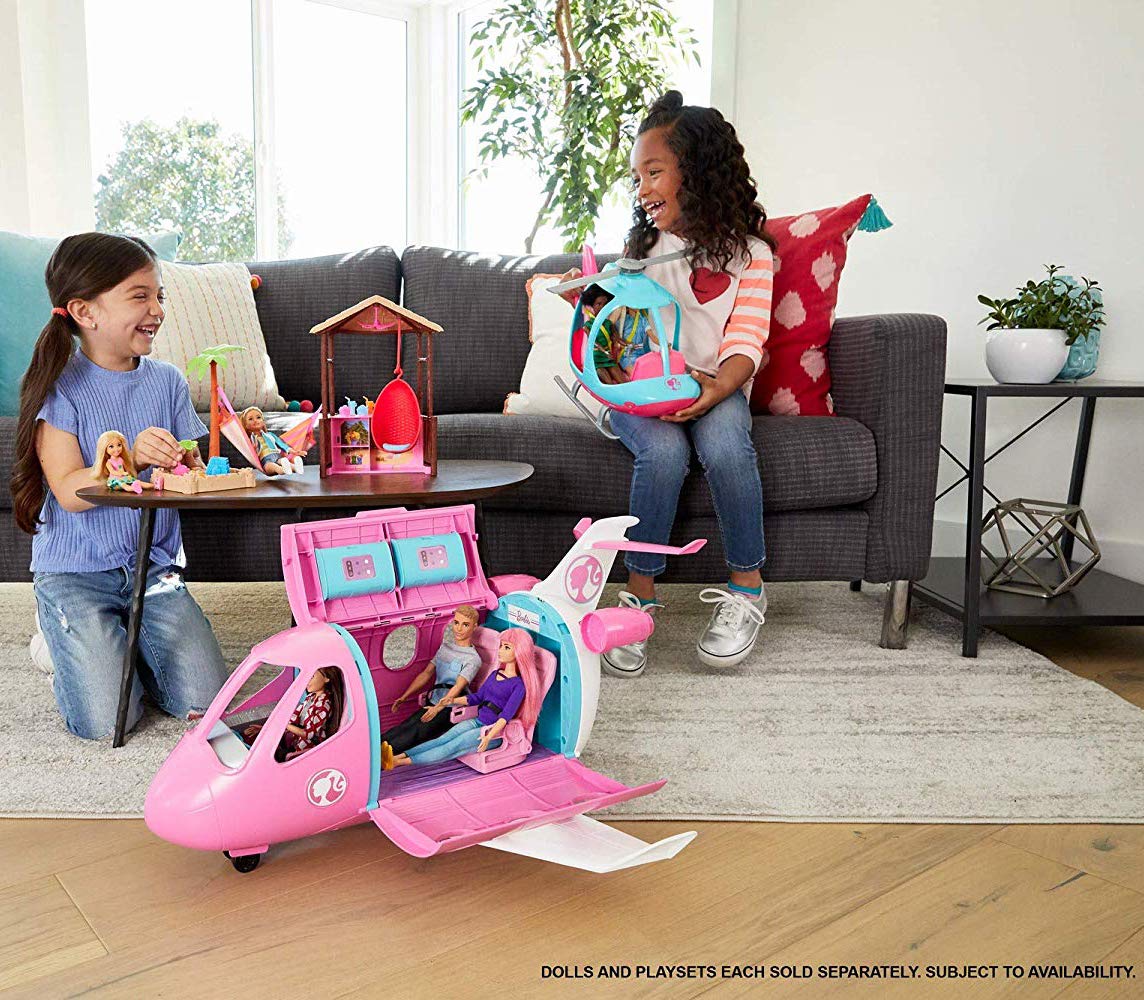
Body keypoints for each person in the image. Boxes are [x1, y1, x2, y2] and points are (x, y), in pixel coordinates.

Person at [559, 91, 775, 677]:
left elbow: (746, 341)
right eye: (637, 177)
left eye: (654, 172)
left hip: (715, 384)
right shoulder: (643, 250)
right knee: (662, 453)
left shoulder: (752, 256)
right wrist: (589, 296)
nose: (643, 188)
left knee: (726, 446)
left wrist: (714, 391)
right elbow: (619, 330)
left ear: (697, 171)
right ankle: (639, 596)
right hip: (641, 388)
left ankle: (748, 589)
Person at [10, 232, 229, 739]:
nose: (157, 309)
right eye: (139, 296)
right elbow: (69, 492)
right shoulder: (59, 386)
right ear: (85, 312)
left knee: (204, 703)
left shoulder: (167, 381)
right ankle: (56, 639)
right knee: (106, 721)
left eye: (159, 296)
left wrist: (184, 462)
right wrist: (129, 458)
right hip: (77, 573)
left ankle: (120, 644)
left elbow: (190, 466)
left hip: (151, 569)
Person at [381, 628, 541, 769]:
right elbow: (477, 698)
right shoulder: (495, 674)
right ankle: (398, 756)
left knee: (451, 746)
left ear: (519, 652)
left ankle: (398, 762)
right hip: (478, 721)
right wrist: (452, 700)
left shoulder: (518, 685)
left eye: (507, 647)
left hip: (493, 731)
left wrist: (489, 736)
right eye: (501, 646)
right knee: (442, 739)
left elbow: (505, 716)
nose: (500, 651)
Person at [379, 604, 482, 754]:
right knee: (406, 725)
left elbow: (458, 687)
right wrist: (404, 696)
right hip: (433, 701)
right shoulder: (445, 648)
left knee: (414, 734)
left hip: (449, 708)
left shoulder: (472, 659)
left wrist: (438, 708)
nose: (459, 629)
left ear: (474, 627)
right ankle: (372, 747)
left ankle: (379, 757)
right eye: (456, 622)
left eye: (465, 625)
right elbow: (426, 673)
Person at [243, 666, 344, 760]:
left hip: (308, 750)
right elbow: (291, 720)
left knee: (267, 756)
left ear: (326, 678)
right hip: (294, 743)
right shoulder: (310, 697)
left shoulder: (324, 705)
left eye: (311, 676)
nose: (306, 680)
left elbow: (308, 734)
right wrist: (264, 729)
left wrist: (284, 725)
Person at [240, 406, 304, 475]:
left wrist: (293, 451)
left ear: (263, 422)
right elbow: (249, 453)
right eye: (250, 419)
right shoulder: (249, 439)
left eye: (258, 417)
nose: (255, 420)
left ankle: (296, 467)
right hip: (265, 458)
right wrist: (253, 448)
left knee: (277, 463)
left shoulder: (270, 435)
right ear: (246, 425)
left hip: (275, 454)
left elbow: (281, 444)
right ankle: (284, 469)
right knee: (272, 466)